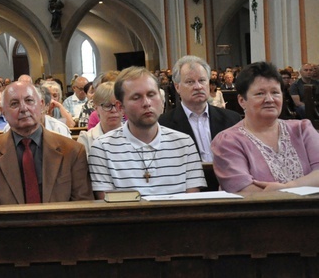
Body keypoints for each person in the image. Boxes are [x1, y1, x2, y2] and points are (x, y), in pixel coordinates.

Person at [88, 67, 206, 199]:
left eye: (151, 95)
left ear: (162, 101)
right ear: (121, 107)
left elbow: (192, 204)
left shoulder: (184, 144)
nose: (146, 103)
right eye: (136, 97)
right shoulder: (102, 147)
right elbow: (108, 206)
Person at [0, 81, 93, 205]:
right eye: (14, 104)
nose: (23, 108)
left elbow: (82, 205)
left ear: (42, 105)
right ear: (3, 112)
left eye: (29, 101)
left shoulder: (72, 151)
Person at [211, 62, 319, 193]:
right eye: (260, 94)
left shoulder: (302, 129)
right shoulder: (228, 141)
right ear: (242, 101)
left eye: (275, 92)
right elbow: (244, 189)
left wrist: (287, 187)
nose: (269, 99)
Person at [158, 56, 240, 163]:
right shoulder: (163, 125)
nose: (198, 87)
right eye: (190, 82)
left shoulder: (232, 120)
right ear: (177, 87)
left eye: (202, 80)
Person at [78, 82, 122, 157]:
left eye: (118, 105)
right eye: (107, 106)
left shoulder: (134, 135)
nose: (114, 110)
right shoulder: (86, 139)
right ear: (96, 108)